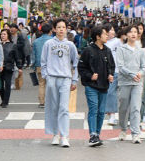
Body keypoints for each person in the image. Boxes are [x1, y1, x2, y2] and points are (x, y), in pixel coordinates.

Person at [41, 19, 79, 148]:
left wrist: (74, 79)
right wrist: (46, 76)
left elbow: (76, 63)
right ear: (54, 29)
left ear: (66, 29)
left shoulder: (70, 45)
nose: (61, 29)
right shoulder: (48, 44)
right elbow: (43, 62)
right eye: (59, 27)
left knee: (64, 108)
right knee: (53, 107)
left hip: (65, 79)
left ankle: (64, 136)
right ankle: (55, 134)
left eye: (63, 27)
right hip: (52, 78)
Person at [78, 25, 115, 147]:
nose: (107, 36)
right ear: (98, 36)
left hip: (104, 86)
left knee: (101, 111)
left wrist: (110, 75)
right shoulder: (88, 50)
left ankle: (97, 134)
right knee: (93, 109)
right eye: (104, 34)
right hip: (91, 85)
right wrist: (89, 76)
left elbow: (111, 66)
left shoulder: (107, 51)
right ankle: (92, 134)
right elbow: (81, 68)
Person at [116, 26, 145, 144]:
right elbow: (120, 66)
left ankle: (135, 133)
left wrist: (140, 73)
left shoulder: (141, 51)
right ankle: (123, 129)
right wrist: (131, 74)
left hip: (137, 83)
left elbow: (144, 67)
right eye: (131, 32)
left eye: (135, 32)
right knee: (123, 107)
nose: (133, 34)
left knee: (135, 108)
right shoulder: (121, 49)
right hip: (124, 82)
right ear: (126, 35)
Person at [0, 29, 22, 108]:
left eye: (4, 34)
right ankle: (3, 99)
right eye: (1, 34)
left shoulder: (13, 45)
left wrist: (19, 67)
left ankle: (5, 102)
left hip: (8, 67)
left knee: (7, 84)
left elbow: (17, 57)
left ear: (8, 35)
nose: (2, 36)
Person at [31, 23, 53, 108]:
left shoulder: (36, 41)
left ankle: (42, 102)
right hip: (51, 65)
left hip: (39, 64)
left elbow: (33, 55)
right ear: (50, 31)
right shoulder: (53, 41)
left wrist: (33, 66)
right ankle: (50, 102)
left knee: (41, 84)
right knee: (51, 84)